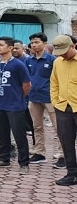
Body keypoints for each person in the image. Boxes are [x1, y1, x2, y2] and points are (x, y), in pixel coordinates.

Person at [0, 37, 31, 174]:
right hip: (0, 104)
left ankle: (24, 163)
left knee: (19, 135)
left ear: (10, 47)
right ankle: (4, 158)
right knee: (2, 134)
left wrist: (18, 97)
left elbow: (26, 85)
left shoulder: (18, 64)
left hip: (15, 105)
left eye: (1, 45)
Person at [26, 32, 62, 167]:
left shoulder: (52, 60)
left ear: (45, 43)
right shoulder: (28, 60)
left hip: (50, 98)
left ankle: (62, 154)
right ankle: (39, 152)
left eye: (37, 42)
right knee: (37, 126)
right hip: (34, 97)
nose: (34, 45)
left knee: (58, 127)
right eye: (32, 43)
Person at [49, 35, 77, 186]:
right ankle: (72, 173)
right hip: (63, 107)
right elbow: (54, 83)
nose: (61, 55)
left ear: (73, 46)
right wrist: (55, 101)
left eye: (64, 51)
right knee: (66, 142)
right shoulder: (57, 62)